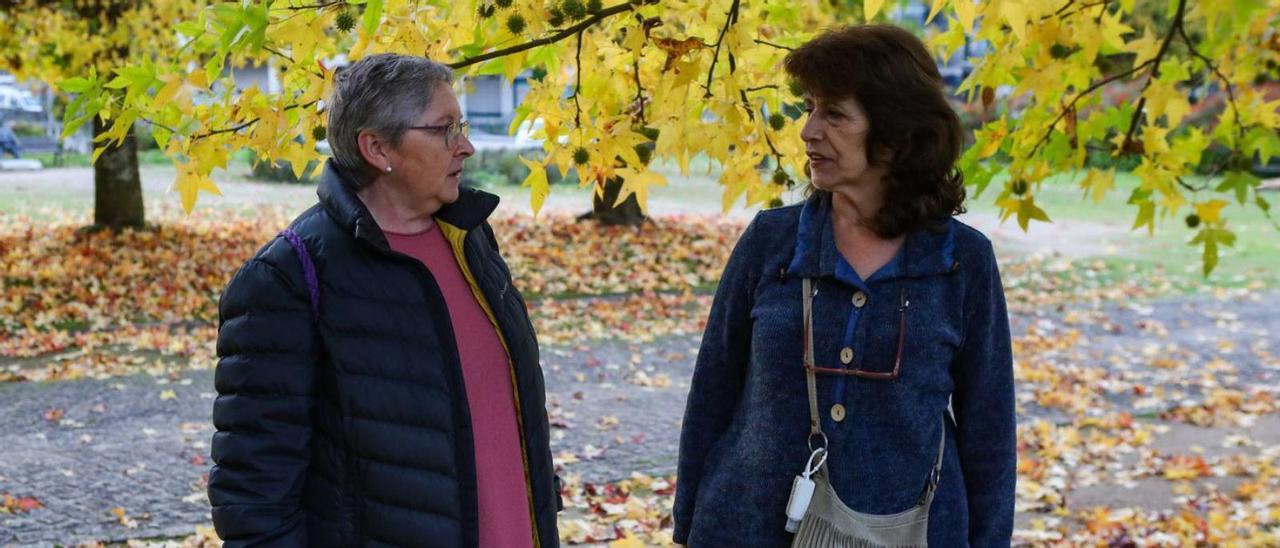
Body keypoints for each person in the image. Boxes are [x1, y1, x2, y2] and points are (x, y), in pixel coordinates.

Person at [673, 25, 1015, 547]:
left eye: (833, 113)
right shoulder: (772, 242)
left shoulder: (962, 263)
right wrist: (686, 529)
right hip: (746, 528)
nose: (808, 130)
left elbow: (989, 432)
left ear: (897, 132)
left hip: (907, 532)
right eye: (810, 109)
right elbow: (711, 397)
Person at [209, 54, 560, 547]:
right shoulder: (285, 279)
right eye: (444, 129)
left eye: (460, 126)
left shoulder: (470, 239)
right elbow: (254, 497)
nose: (467, 146)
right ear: (376, 148)